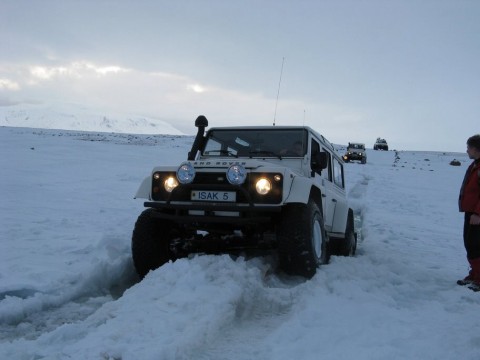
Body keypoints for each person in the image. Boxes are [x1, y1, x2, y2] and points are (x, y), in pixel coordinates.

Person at [457, 134, 480, 291]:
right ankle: (475, 274)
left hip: (476, 215)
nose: (466, 150)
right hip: (471, 213)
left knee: (475, 245)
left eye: (468, 147)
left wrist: (478, 214)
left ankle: (479, 278)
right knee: (470, 244)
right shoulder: (475, 165)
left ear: (476, 149)